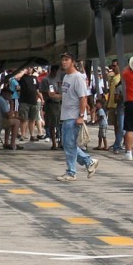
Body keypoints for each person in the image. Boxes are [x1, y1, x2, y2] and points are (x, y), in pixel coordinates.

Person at [52, 53, 99, 181]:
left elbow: (83, 98)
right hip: (66, 115)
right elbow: (69, 95)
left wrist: (81, 115)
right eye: (62, 60)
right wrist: (57, 96)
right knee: (67, 144)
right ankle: (88, 162)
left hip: (73, 116)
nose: (64, 62)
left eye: (66, 60)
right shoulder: (67, 76)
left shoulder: (78, 77)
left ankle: (72, 172)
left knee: (69, 144)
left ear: (73, 62)